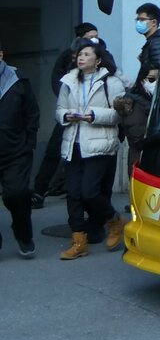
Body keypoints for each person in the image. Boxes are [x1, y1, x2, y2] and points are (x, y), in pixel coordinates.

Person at [56, 40, 125, 260]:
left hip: (98, 143)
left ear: (98, 59)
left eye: (86, 54)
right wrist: (66, 116)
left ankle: (113, 221)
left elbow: (118, 114)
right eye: (79, 54)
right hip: (73, 142)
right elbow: (59, 109)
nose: (81, 57)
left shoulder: (111, 82)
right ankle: (79, 241)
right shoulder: (68, 80)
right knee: (73, 194)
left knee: (90, 192)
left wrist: (93, 116)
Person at [32, 22, 100, 209]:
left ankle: (84, 194)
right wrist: (66, 101)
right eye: (91, 36)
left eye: (96, 36)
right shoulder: (67, 56)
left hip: (91, 117)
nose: (95, 40)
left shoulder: (100, 55)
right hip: (69, 114)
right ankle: (39, 190)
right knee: (54, 151)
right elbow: (57, 80)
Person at [0, 39, 39, 259]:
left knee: (16, 194)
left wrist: (28, 143)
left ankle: (23, 234)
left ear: (1, 55)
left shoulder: (18, 81)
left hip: (16, 151)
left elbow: (32, 114)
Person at [112, 61, 158, 179]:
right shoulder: (134, 103)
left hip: (150, 158)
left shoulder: (158, 100)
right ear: (142, 80)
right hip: (140, 159)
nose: (156, 83)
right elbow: (137, 137)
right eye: (151, 79)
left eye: (159, 79)